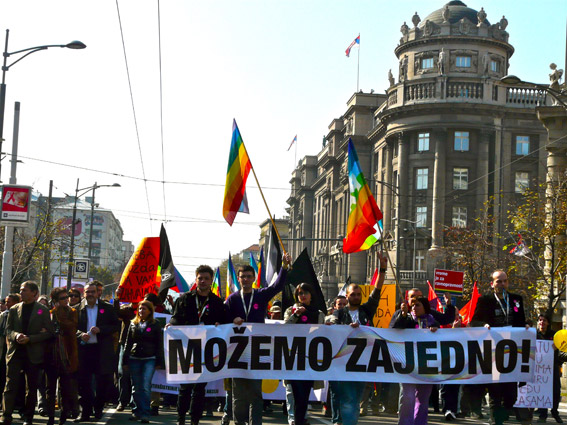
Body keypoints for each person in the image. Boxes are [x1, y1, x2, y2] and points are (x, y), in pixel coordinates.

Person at [226, 253, 292, 425]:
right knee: (239, 394)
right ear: (238, 279)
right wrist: (232, 320)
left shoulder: (261, 295)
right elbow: (223, 318)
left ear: (254, 278)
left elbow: (277, 286)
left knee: (256, 393)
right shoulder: (232, 299)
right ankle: (239, 422)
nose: (246, 279)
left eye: (249, 276)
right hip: (238, 353)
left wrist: (284, 267)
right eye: (243, 277)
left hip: (257, 350)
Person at [329, 252, 387, 425]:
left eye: (358, 294)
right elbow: (332, 327)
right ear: (346, 297)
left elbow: (377, 290)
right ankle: (341, 421)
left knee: (355, 398)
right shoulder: (339, 313)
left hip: (362, 362)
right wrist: (346, 328)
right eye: (352, 294)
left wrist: (382, 268)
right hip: (344, 361)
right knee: (347, 397)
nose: (356, 296)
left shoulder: (366, 311)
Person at [169, 265, 231, 425]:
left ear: (211, 281)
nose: (203, 281)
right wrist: (171, 325)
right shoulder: (184, 299)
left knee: (199, 389)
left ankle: (195, 420)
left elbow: (224, 324)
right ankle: (180, 418)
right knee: (185, 387)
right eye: (200, 278)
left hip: (206, 351)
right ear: (196, 280)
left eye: (206, 279)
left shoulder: (218, 302)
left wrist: (219, 324)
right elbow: (176, 318)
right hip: (187, 349)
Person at [470, 269, 528, 425]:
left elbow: (521, 322)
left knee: (511, 396)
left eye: (504, 281)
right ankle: (495, 420)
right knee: (495, 392)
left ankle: (501, 414)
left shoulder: (516, 299)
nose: (502, 284)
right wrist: (484, 324)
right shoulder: (485, 300)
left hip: (512, 352)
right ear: (492, 284)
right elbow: (473, 322)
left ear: (507, 282)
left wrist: (527, 326)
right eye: (498, 281)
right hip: (493, 352)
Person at [1, 281, 55, 425]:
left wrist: (30, 339)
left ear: (34, 293)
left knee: (31, 387)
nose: (21, 292)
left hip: (33, 354)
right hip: (16, 352)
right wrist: (16, 335)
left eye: (24, 290)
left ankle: (28, 416)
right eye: (20, 290)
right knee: (10, 384)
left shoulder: (42, 310)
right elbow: (8, 330)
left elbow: (50, 333)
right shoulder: (14, 309)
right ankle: (6, 415)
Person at [76, 281, 120, 422]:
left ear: (98, 293)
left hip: (101, 351)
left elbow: (115, 325)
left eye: (92, 292)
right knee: (83, 383)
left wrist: (101, 330)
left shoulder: (106, 308)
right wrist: (80, 334)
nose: (90, 295)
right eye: (87, 292)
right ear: (84, 293)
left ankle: (98, 409)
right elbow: (71, 328)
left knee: (102, 382)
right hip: (84, 350)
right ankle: (84, 412)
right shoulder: (76, 309)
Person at [392, 297, 439, 425]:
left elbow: (440, 337)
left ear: (425, 307)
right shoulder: (406, 318)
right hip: (407, 363)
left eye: (417, 305)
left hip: (426, 365)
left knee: (423, 398)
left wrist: (435, 329)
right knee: (407, 396)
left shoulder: (432, 320)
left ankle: (420, 422)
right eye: (412, 305)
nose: (414, 307)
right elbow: (395, 328)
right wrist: (402, 315)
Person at [284, 283, 326, 425]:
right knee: (296, 395)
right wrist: (296, 315)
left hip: (310, 360)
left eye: (306, 292)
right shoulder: (291, 310)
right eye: (300, 293)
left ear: (311, 295)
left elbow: (322, 333)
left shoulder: (319, 313)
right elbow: (284, 329)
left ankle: (300, 420)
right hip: (294, 358)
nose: (303, 295)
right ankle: (297, 420)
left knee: (304, 397)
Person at [122, 299, 164, 424]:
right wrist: (124, 360)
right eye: (140, 309)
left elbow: (159, 344)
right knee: (136, 386)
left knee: (145, 386)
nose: (141, 311)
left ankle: (145, 413)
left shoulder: (155, 324)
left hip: (149, 359)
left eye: (144, 309)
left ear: (150, 311)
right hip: (134, 358)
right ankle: (136, 411)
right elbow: (128, 343)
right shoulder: (133, 323)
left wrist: (159, 361)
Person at [45, 287, 79, 425]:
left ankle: (64, 415)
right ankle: (51, 417)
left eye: (68, 297)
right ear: (55, 301)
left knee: (66, 388)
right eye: (63, 298)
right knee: (50, 388)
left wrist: (59, 313)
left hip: (67, 354)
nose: (67, 300)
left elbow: (71, 326)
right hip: (51, 354)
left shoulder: (72, 312)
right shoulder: (49, 313)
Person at [536, 314, 566, 423]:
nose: (542, 322)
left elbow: (562, 350)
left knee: (556, 391)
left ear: (548, 323)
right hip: (539, 369)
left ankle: (554, 412)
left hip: (552, 368)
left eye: (544, 320)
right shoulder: (534, 335)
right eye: (540, 320)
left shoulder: (554, 335)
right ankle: (542, 415)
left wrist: (556, 347)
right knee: (542, 391)